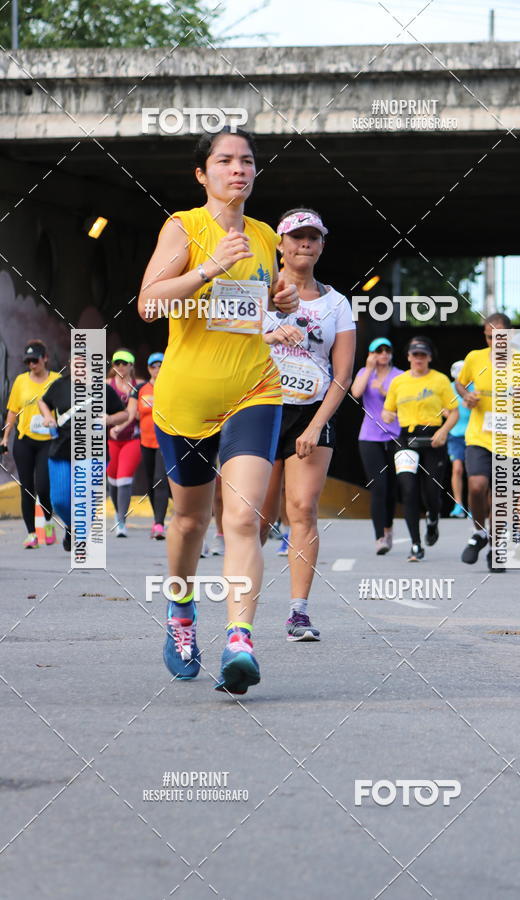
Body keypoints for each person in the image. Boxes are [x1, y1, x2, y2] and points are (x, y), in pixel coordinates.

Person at [138, 126, 298, 693]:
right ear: (202, 174)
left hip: (253, 391)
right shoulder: (185, 227)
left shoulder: (262, 235)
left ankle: (239, 640)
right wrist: (207, 268)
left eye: (248, 161)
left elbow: (257, 302)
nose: (239, 169)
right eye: (225, 161)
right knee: (189, 521)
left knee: (242, 518)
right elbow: (149, 303)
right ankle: (181, 616)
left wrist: (279, 298)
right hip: (185, 401)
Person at [259, 208, 356, 641]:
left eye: (313, 238)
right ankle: (239, 609)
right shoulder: (258, 291)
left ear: (322, 245)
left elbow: (343, 374)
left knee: (301, 508)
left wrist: (316, 425)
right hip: (260, 407)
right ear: (280, 243)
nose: (304, 244)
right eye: (296, 237)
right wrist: (269, 334)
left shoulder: (336, 304)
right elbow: (224, 334)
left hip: (310, 412)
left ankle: (298, 612)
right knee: (254, 519)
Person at [455, 314, 520, 571]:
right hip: (480, 435)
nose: (494, 342)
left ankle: (496, 547)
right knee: (476, 485)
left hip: (510, 440)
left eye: (499, 337)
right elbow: (460, 384)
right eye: (488, 337)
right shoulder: (475, 358)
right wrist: (467, 396)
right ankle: (480, 532)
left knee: (500, 496)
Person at [382, 336, 458, 561]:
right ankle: (415, 544)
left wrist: (443, 432)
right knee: (408, 489)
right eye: (415, 355)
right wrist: (387, 415)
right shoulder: (398, 381)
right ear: (408, 357)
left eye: (422, 355)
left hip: (432, 437)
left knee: (432, 491)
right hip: (407, 438)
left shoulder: (440, 380)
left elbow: (453, 411)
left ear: (429, 358)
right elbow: (388, 410)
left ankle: (433, 518)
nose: (418, 359)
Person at [38, 363, 127, 550]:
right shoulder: (59, 385)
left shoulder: (103, 389)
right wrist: (48, 417)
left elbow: (124, 414)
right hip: (61, 450)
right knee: (60, 500)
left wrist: (109, 420)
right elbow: (43, 401)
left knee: (86, 496)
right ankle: (73, 526)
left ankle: (80, 535)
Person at [1, 340, 61, 548]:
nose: (32, 365)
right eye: (28, 361)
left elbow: (65, 408)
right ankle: (31, 534)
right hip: (25, 440)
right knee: (27, 487)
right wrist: (5, 437)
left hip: (48, 442)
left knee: (43, 487)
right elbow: (12, 411)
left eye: (35, 360)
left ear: (45, 359)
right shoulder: (20, 381)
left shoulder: (57, 380)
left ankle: (47, 520)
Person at [351, 337, 403, 554]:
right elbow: (355, 393)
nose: (383, 354)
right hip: (369, 436)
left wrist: (385, 393)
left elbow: (407, 403)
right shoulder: (365, 372)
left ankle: (388, 527)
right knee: (378, 486)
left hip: (395, 435)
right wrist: (369, 368)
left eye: (387, 350)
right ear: (372, 353)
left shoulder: (399, 376)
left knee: (392, 488)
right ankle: (379, 537)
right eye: (378, 351)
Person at [121, 352, 170, 539]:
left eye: (160, 365)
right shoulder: (141, 388)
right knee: (150, 481)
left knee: (160, 480)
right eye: (153, 366)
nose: (157, 369)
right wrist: (118, 426)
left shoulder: (172, 387)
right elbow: (131, 412)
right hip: (146, 440)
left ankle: (159, 524)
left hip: (164, 441)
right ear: (149, 368)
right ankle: (157, 519)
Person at [106, 349, 143, 537]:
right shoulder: (106, 385)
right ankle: (118, 512)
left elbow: (131, 412)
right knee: (112, 479)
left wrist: (118, 427)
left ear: (131, 366)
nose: (120, 366)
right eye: (117, 363)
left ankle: (121, 521)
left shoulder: (138, 386)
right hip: (110, 439)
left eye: (124, 363)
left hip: (131, 438)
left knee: (124, 478)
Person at [447, 359, 472, 518]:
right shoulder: (448, 388)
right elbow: (441, 408)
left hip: (473, 435)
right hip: (454, 434)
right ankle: (458, 505)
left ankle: (472, 506)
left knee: (473, 472)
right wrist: (449, 415)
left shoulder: (475, 388)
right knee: (457, 468)